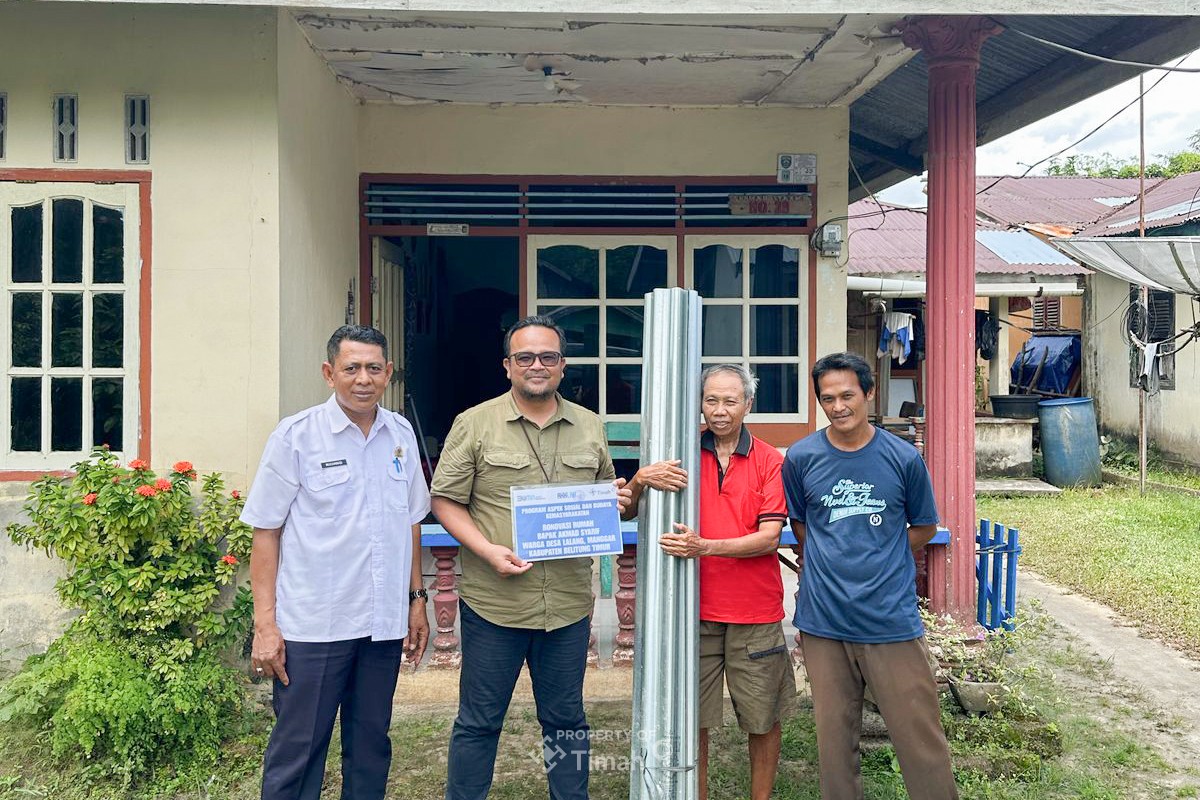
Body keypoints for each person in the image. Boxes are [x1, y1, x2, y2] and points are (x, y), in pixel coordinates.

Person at [430, 315, 631, 800]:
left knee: (567, 720)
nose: (536, 366)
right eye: (525, 357)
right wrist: (485, 549)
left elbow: (605, 492)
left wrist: (617, 500)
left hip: (566, 604)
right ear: (508, 366)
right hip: (495, 603)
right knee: (479, 721)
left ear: (562, 366)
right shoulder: (474, 423)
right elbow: (445, 500)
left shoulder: (589, 426)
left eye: (548, 357)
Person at [241, 325, 431, 800]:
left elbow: (410, 521)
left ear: (388, 373)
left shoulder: (400, 434)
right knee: (298, 751)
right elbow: (265, 533)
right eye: (351, 368)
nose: (362, 379)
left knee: (371, 748)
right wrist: (266, 625)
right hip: (314, 626)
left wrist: (416, 598)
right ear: (330, 373)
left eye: (372, 368)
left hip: (381, 625)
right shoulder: (296, 436)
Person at [782, 352, 957, 800]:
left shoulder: (901, 459)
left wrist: (881, 556)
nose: (838, 406)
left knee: (920, 739)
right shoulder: (802, 458)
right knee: (834, 744)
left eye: (847, 395)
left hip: (889, 620)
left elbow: (924, 526)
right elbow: (803, 526)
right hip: (824, 621)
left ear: (869, 393)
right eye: (827, 398)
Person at [625, 364, 796, 800]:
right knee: (691, 719)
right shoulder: (680, 453)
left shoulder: (770, 460)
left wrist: (704, 547)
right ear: (699, 403)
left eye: (730, 401)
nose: (719, 411)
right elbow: (628, 511)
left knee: (761, 718)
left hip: (754, 611)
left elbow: (769, 537)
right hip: (691, 609)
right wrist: (641, 478)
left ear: (748, 405)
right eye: (711, 400)